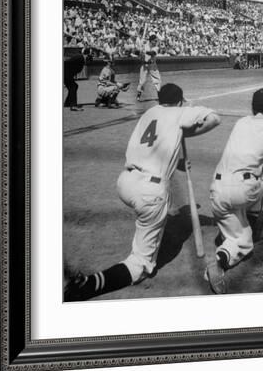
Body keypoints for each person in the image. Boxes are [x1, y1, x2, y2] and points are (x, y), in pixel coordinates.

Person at [64, 83, 221, 301]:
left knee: (150, 208)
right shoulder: (180, 111)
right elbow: (214, 118)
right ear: (179, 101)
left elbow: (154, 145)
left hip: (126, 183)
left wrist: (177, 153)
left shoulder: (149, 113)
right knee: (141, 264)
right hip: (150, 191)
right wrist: (187, 121)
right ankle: (90, 284)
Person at [209, 88, 263, 271]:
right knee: (246, 243)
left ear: (252, 107)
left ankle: (230, 241)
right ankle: (252, 223)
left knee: (238, 235)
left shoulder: (240, 122)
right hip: (243, 191)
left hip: (216, 191)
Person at [137, 34, 161, 101]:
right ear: (151, 41)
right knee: (142, 81)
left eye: (156, 41)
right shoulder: (144, 45)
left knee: (157, 80)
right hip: (144, 65)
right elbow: (138, 53)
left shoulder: (156, 47)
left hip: (153, 65)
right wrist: (140, 51)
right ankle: (138, 96)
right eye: (155, 41)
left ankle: (160, 96)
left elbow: (152, 53)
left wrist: (145, 51)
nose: (156, 42)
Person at [63, 44, 85, 111]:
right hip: (65, 73)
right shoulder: (80, 57)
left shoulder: (81, 60)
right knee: (73, 87)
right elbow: (67, 62)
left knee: (74, 86)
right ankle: (73, 105)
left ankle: (68, 103)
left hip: (67, 74)